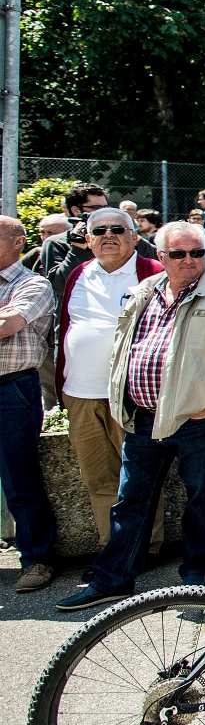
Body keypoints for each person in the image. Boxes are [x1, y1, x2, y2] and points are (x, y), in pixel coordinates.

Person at [55, 222, 205, 612]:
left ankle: (197, 574)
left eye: (196, 253)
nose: (188, 261)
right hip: (143, 417)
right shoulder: (144, 291)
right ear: (160, 257)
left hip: (195, 418)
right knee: (130, 499)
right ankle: (112, 579)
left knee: (201, 496)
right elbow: (123, 347)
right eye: (178, 254)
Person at [54, 207, 167, 556]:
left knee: (139, 480)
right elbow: (65, 330)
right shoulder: (77, 274)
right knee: (99, 478)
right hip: (80, 393)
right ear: (87, 240)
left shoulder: (154, 274)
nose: (108, 236)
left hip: (131, 396)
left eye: (118, 229)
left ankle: (145, 548)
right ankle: (111, 549)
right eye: (99, 230)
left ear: (135, 236)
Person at [0, 216, 58, 593]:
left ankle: (37, 558)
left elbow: (7, 324)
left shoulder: (33, 284)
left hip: (11, 390)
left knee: (19, 478)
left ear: (18, 242)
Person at [37, 183, 108, 290]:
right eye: (95, 208)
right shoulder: (57, 243)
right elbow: (60, 286)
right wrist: (78, 249)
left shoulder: (114, 239)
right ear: (76, 211)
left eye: (105, 208)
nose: (102, 213)